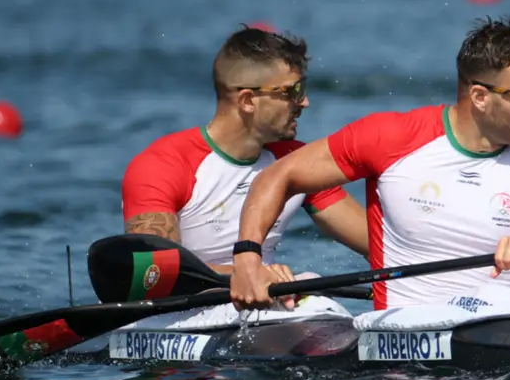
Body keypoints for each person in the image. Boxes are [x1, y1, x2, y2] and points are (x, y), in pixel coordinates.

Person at [229, 16, 510, 311]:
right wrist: (247, 262)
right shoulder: (391, 138)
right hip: (405, 343)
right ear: (480, 96)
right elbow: (278, 175)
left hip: (502, 324)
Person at [119, 26, 369, 298]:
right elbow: (154, 273)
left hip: (265, 303)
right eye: (292, 91)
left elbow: (377, 244)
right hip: (179, 310)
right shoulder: (163, 165)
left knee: (313, 287)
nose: (304, 101)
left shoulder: (293, 160)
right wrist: (249, 274)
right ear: (248, 100)